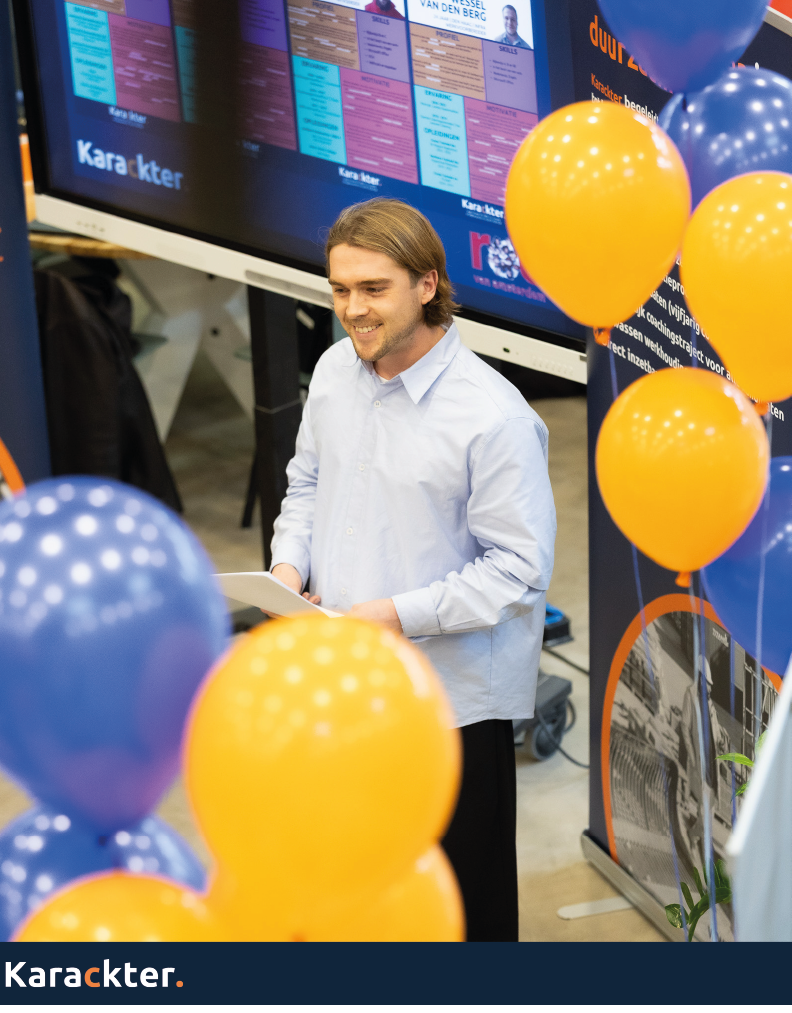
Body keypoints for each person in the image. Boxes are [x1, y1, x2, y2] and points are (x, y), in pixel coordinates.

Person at [268, 198, 556, 941]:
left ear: (428, 285)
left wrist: (393, 616)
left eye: (374, 289)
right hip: (347, 682)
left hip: (449, 705)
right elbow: (307, 483)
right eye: (340, 289)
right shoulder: (334, 371)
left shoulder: (493, 417)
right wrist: (288, 567)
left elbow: (519, 570)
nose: (352, 310)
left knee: (463, 907)